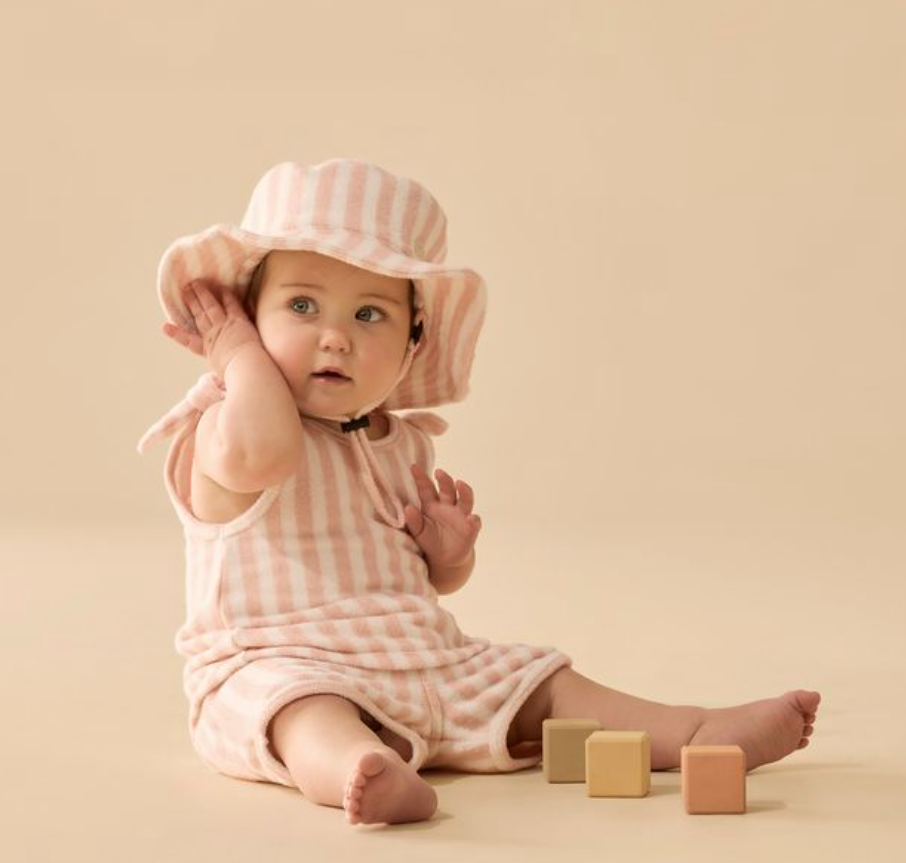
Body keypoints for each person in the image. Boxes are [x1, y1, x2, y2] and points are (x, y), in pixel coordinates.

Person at [137, 158, 820, 827]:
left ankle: (693, 730)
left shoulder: (400, 444)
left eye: (369, 314)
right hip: (280, 663)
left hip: (427, 662)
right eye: (302, 306)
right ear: (250, 318)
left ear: (412, 345)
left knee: (541, 680)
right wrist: (237, 355)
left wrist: (447, 557)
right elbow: (265, 454)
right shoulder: (224, 425)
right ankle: (357, 767)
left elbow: (428, 583)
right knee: (296, 712)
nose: (335, 337)